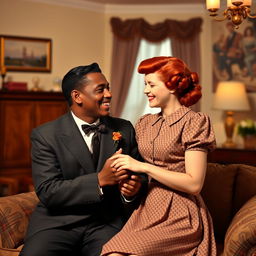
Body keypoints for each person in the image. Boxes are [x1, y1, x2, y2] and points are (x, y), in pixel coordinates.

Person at [19, 63, 145, 256]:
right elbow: (48, 191)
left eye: (108, 88)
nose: (109, 94)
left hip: (106, 222)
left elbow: (141, 177)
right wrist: (100, 180)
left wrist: (132, 191)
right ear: (77, 96)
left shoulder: (124, 129)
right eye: (100, 90)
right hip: (57, 223)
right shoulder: (45, 135)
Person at [101, 56, 217, 256]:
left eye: (151, 84)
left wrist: (143, 167)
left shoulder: (194, 123)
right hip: (146, 209)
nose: (146, 90)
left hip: (181, 212)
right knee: (112, 253)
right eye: (145, 84)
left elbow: (194, 184)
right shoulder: (144, 123)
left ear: (172, 86)